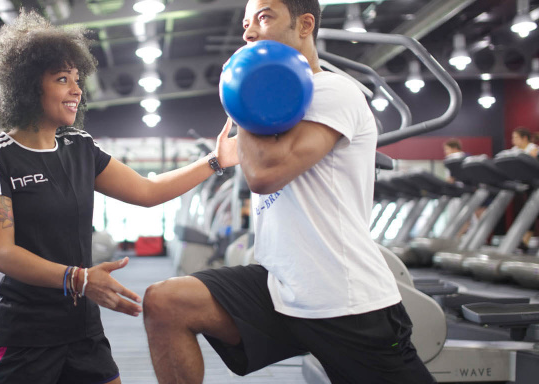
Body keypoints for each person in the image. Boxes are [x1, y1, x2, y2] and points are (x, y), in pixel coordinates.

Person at [142, 1, 435, 383]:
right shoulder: (276, 99)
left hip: (343, 299)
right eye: (246, 23)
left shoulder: (333, 91)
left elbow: (265, 173)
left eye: (263, 18)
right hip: (280, 287)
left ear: (304, 25)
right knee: (166, 303)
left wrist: (245, 90)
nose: (248, 33)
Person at [0, 10, 237, 384]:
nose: (77, 90)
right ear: (25, 87)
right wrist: (78, 278)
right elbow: (0, 253)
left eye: (77, 79)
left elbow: (148, 191)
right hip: (21, 335)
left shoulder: (79, 146)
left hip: (81, 328)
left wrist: (215, 161)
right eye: (62, 79)